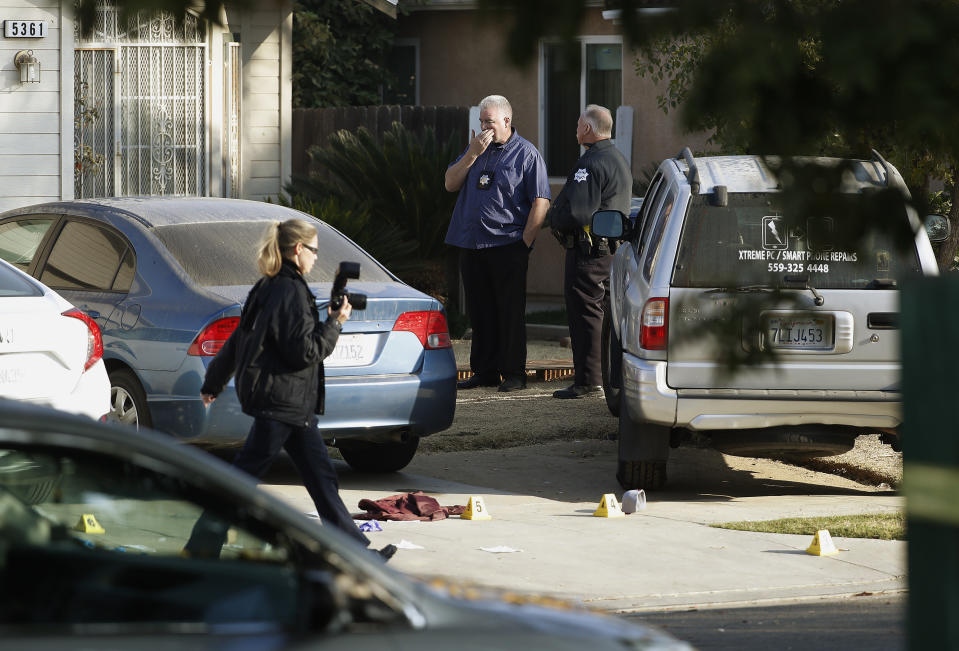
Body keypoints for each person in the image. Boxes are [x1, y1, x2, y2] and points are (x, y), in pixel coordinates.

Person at [184, 218, 395, 561]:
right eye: (313, 251)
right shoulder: (290, 291)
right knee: (244, 479)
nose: (315, 258)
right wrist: (335, 323)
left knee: (322, 479)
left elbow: (240, 338)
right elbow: (306, 352)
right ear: (298, 250)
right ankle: (199, 548)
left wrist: (214, 381)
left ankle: (354, 553)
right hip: (283, 402)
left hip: (289, 404)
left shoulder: (266, 287)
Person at [445, 94, 551, 392]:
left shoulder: (527, 154)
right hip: (471, 243)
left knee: (509, 312)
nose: (483, 128)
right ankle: (485, 371)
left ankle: (514, 373)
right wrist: (472, 155)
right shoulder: (475, 149)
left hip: (507, 246)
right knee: (480, 311)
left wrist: (523, 244)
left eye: (488, 121)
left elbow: (541, 201)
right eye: (481, 122)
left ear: (506, 120)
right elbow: (450, 182)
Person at [547, 105, 632, 399]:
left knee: (585, 315)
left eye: (578, 123)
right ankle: (606, 377)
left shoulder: (590, 163)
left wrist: (554, 218)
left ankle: (588, 380)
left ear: (587, 129)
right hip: (610, 253)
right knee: (606, 315)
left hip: (588, 254)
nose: (575, 129)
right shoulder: (618, 158)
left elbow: (579, 213)